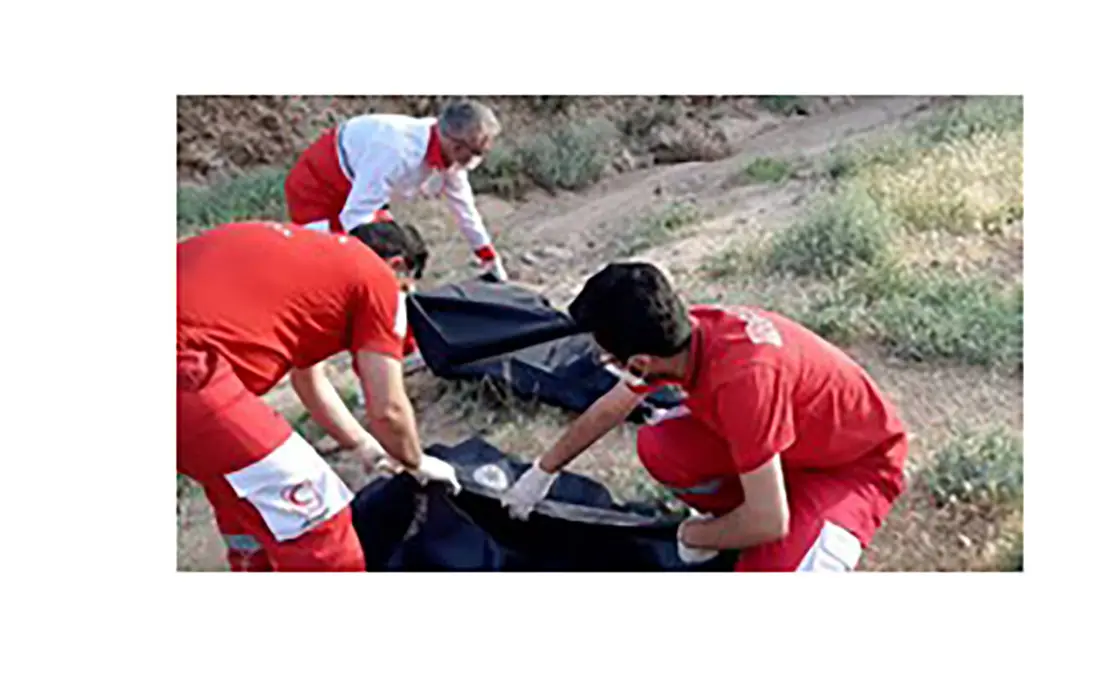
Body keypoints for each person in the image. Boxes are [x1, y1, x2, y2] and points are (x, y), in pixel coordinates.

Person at [498, 262, 910, 572]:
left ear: (639, 362)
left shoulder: (743, 382)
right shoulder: (686, 334)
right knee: (660, 445)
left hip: (852, 468)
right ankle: (746, 511)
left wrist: (694, 534)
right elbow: (612, 406)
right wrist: (542, 471)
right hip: (789, 447)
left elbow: (771, 521)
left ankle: (765, 523)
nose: (606, 362)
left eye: (607, 357)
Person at [177, 220, 460, 572]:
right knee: (320, 524)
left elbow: (309, 381)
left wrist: (365, 447)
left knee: (249, 511)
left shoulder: (309, 264)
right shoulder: (377, 278)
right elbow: (388, 408)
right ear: (398, 265)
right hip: (187, 370)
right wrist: (416, 462)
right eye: (406, 288)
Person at [284, 99, 508, 281]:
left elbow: (464, 208)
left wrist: (487, 255)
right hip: (318, 186)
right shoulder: (397, 153)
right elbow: (355, 218)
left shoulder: (448, 150)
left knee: (406, 253)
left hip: (360, 183)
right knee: (341, 259)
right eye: (477, 153)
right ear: (456, 146)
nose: (477, 161)